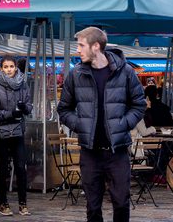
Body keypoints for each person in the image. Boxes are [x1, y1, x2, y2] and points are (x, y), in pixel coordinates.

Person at [57, 27, 147, 222]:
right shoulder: (76, 75)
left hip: (118, 151)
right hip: (90, 152)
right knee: (93, 207)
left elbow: (139, 105)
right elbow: (63, 109)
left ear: (96, 46)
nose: (78, 50)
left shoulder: (125, 72)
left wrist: (123, 124)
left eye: (81, 45)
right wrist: (81, 125)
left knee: (122, 202)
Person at [0, 55, 33, 216]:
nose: (9, 70)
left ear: (16, 67)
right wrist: (9, 113)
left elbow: (29, 105)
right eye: (5, 67)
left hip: (18, 131)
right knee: (3, 169)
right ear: (1, 69)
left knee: (21, 167)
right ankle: (3, 204)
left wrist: (24, 108)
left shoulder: (23, 84)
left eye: (11, 66)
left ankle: (23, 204)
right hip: (0, 132)